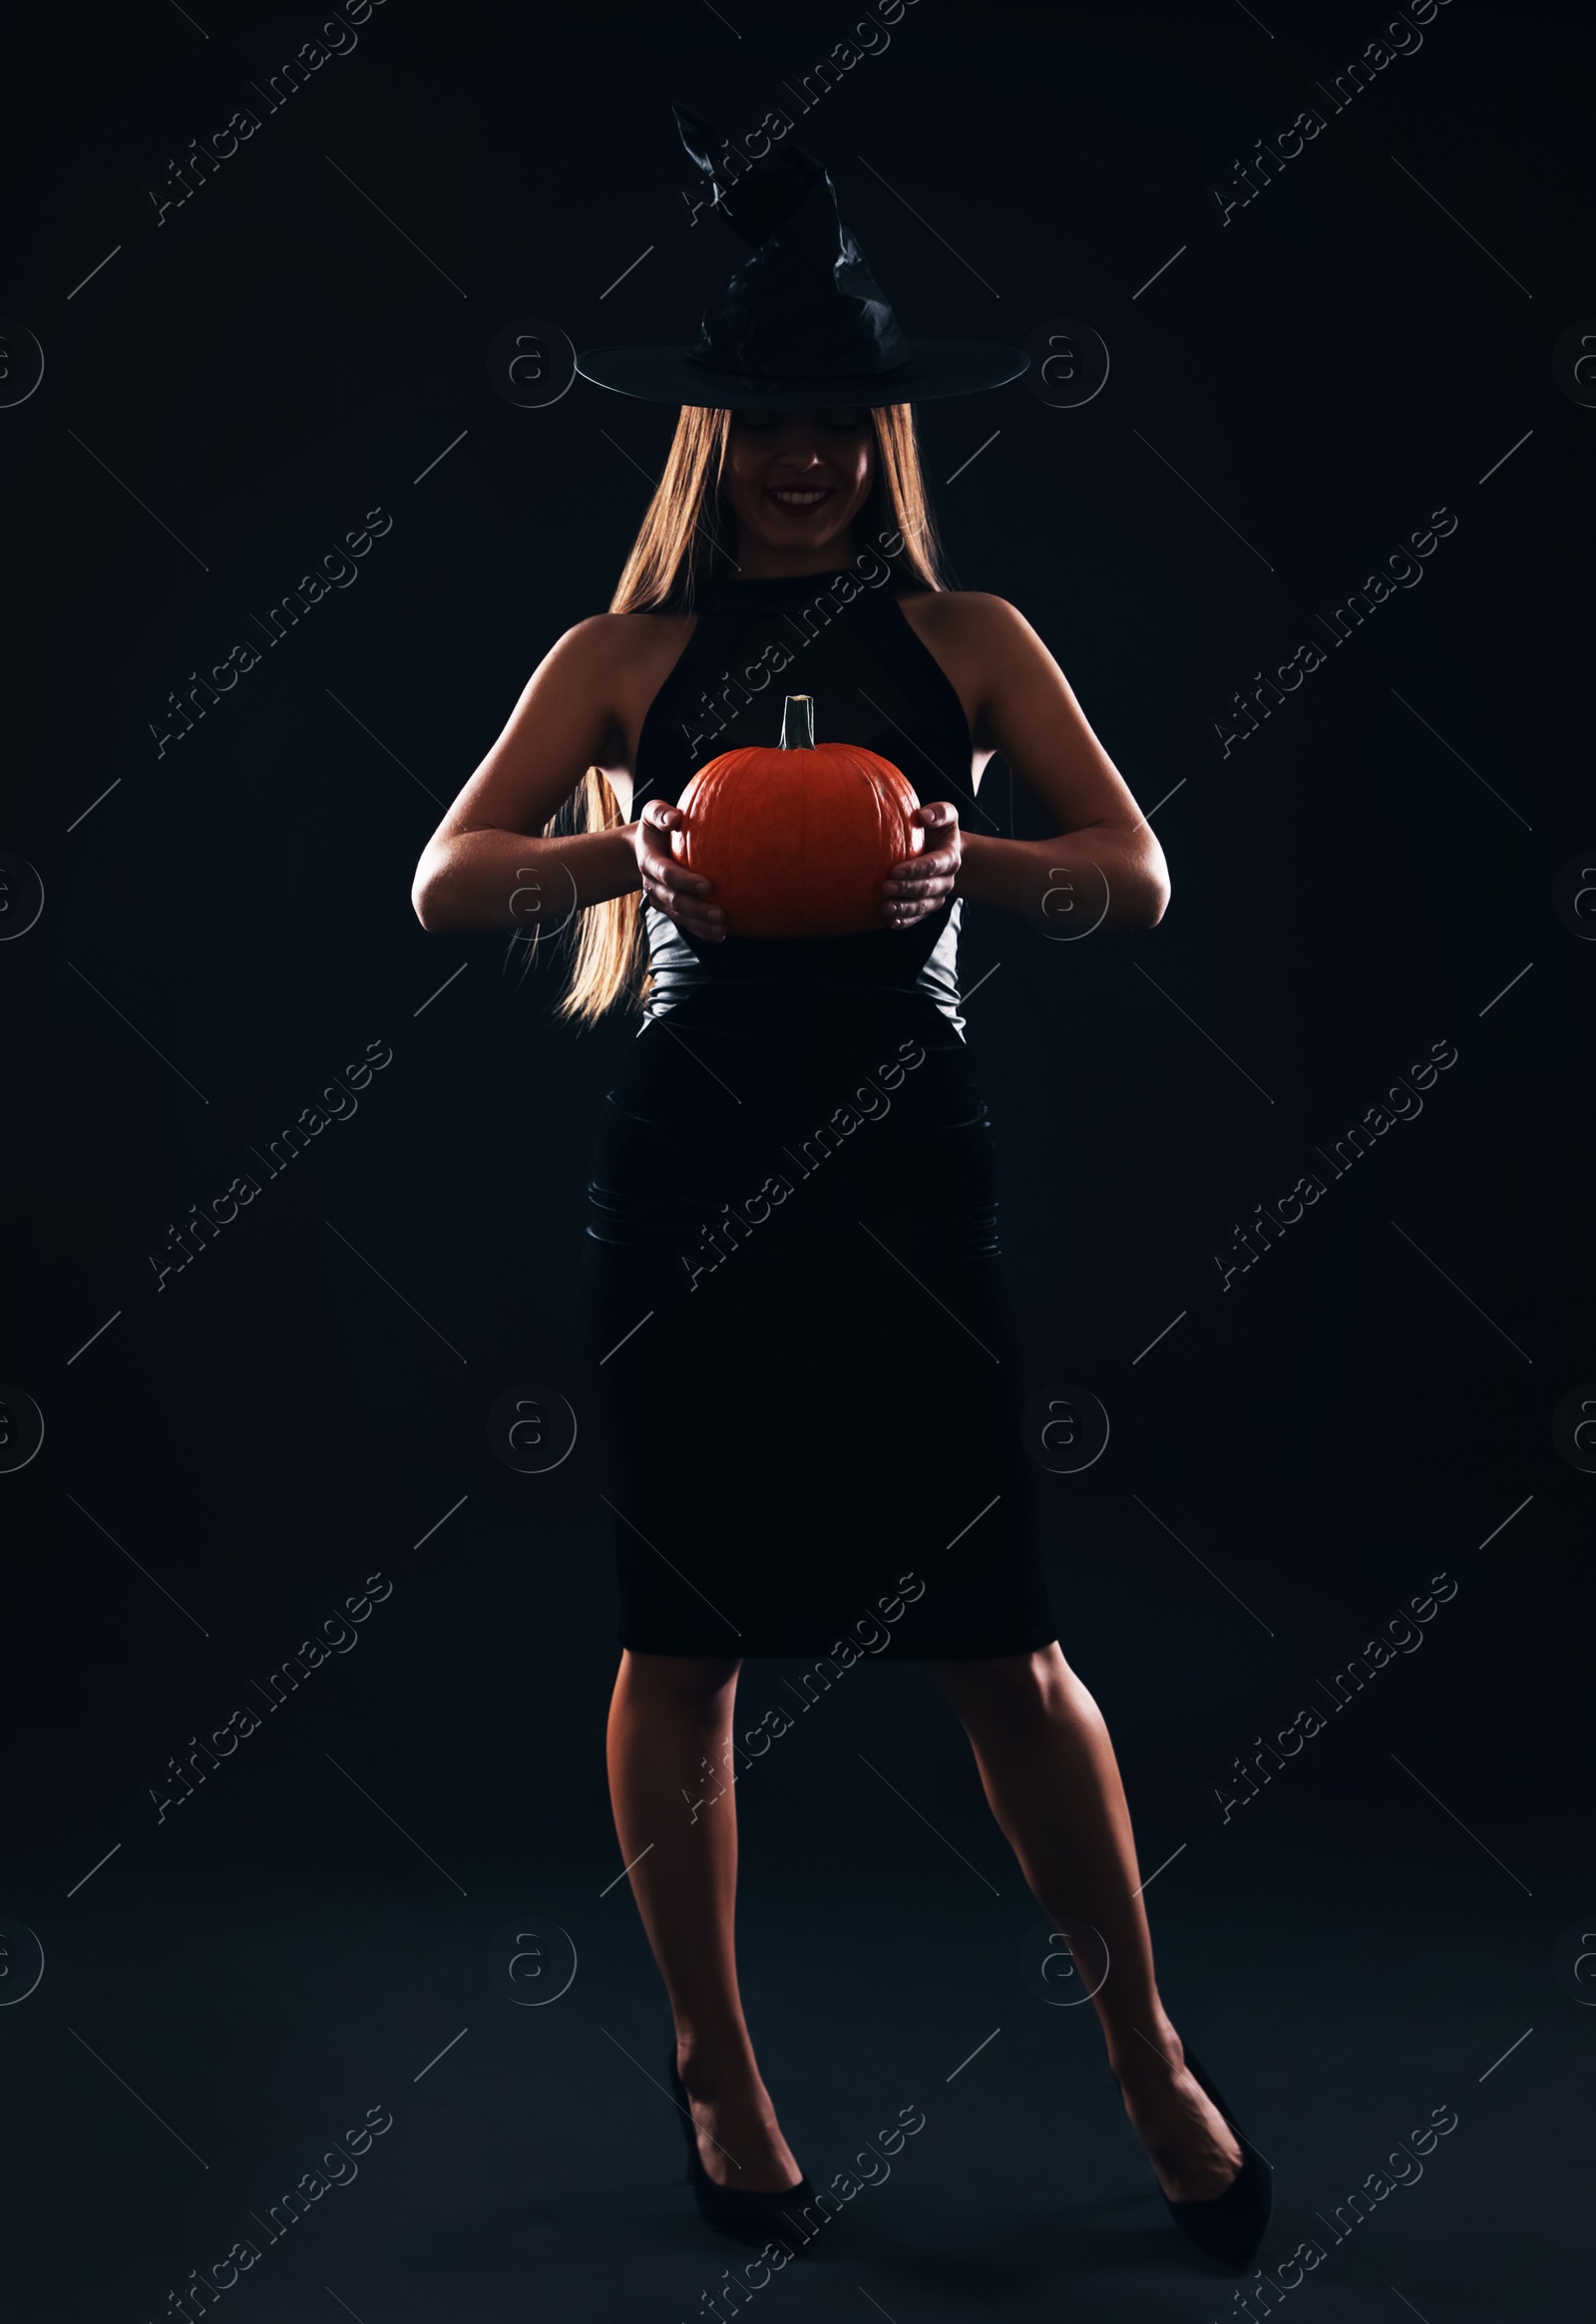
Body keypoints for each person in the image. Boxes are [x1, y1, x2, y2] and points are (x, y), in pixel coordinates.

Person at [410, 110, 1270, 2272]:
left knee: (1003, 1647)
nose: (799, 457)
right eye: (764, 422)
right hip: (691, 1174)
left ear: (876, 433)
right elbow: (441, 880)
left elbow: (1138, 873)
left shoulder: (965, 635)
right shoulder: (622, 658)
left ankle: (1148, 2057)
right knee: (683, 1635)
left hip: (906, 1165)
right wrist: (632, 851)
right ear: (715, 439)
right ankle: (716, 2063)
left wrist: (955, 857)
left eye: (831, 421)